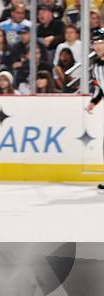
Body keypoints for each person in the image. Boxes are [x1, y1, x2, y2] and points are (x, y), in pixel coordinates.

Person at [86, 29, 104, 189]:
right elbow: (99, 88)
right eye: (95, 43)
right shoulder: (96, 65)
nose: (97, 46)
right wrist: (93, 101)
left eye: (101, 42)